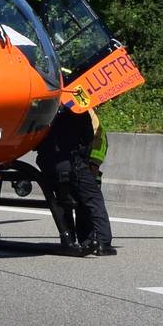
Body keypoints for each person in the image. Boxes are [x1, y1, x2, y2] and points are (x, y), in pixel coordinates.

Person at [39, 93, 114, 256]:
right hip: (74, 163)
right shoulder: (82, 111)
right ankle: (102, 243)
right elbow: (90, 136)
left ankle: (69, 239)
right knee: (92, 200)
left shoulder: (46, 108)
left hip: (49, 162)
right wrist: (91, 163)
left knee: (63, 201)